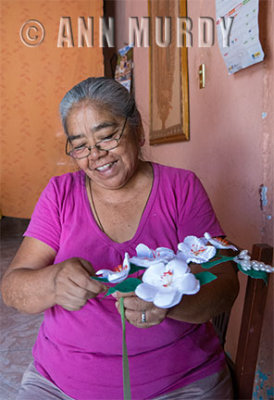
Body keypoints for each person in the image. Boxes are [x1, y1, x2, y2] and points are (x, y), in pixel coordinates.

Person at [1, 77, 239, 400]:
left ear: (137, 131)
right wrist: (53, 283)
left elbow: (225, 284)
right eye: (80, 145)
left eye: (107, 136)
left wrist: (171, 303)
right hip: (59, 385)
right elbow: (13, 288)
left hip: (179, 383)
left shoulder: (180, 189)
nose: (96, 154)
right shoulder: (59, 195)